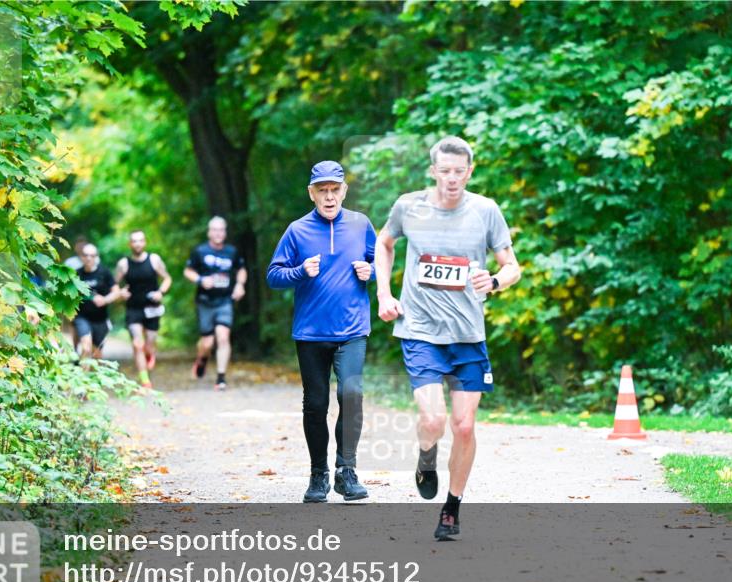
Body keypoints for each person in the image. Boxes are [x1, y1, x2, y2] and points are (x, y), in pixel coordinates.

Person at [375, 136, 521, 540]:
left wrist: (492, 280)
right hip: (420, 331)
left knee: (464, 425)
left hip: (468, 336)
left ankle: (451, 509)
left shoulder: (486, 211)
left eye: (460, 171)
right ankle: (426, 455)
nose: (452, 179)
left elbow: (512, 266)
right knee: (434, 420)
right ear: (433, 171)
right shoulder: (409, 206)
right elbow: (383, 244)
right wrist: (385, 295)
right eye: (445, 171)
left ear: (469, 171)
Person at [267, 160, 376, 504]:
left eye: (335, 190)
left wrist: (370, 271)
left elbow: (381, 265)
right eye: (322, 191)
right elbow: (273, 275)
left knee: (352, 394)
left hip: (352, 328)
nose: (329, 197)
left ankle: (347, 472)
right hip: (311, 332)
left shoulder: (361, 225)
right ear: (311, 194)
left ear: (344, 191)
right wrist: (299, 271)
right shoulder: (297, 231)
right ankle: (319, 475)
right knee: (316, 403)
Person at [183, 216, 247, 390]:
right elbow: (188, 271)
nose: (218, 233)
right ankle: (202, 358)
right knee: (207, 343)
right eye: (215, 230)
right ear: (209, 232)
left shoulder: (232, 252)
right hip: (205, 301)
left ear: (225, 232)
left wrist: (240, 285)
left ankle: (220, 379)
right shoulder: (200, 251)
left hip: (225, 301)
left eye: (221, 230)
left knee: (223, 336)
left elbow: (241, 270)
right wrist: (200, 280)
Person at [115, 230, 172, 389]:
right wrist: (120, 293)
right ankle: (145, 380)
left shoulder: (154, 260)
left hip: (152, 308)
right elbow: (113, 284)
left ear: (145, 242)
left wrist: (161, 292)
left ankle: (150, 353)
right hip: (133, 309)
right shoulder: (123, 264)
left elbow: (167, 278)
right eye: (134, 241)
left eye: (140, 240)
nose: (137, 243)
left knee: (148, 344)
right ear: (130, 244)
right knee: (137, 344)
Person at [73, 243, 126, 360]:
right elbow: (69, 296)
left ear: (96, 257)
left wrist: (105, 300)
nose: (88, 258)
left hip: (100, 319)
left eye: (92, 255)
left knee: (96, 353)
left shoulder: (104, 272)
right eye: (85, 255)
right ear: (81, 257)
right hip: (82, 317)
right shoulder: (76, 274)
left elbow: (116, 292)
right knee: (86, 348)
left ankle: (95, 377)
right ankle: (83, 377)